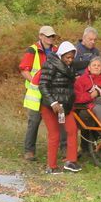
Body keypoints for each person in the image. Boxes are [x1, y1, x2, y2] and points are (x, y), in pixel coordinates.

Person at [38, 41, 81, 174]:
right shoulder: (50, 64)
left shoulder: (71, 67)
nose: (70, 60)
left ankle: (71, 162)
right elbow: (43, 85)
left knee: (72, 130)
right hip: (49, 106)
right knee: (54, 134)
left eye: (72, 57)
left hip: (65, 106)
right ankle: (51, 166)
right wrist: (53, 103)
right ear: (61, 55)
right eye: (67, 57)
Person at [19, 25, 58, 161]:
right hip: (35, 93)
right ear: (40, 36)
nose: (51, 38)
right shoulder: (33, 50)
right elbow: (24, 70)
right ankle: (29, 151)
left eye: (52, 36)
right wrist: (36, 83)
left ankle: (65, 150)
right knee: (34, 121)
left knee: (60, 119)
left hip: (52, 92)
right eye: (48, 36)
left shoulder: (56, 50)